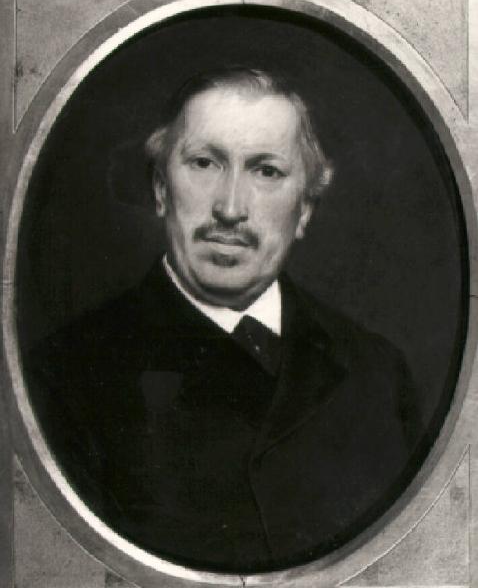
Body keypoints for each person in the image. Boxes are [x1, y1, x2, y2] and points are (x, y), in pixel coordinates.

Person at [25, 67, 426, 573]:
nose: (231, 208)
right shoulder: (60, 380)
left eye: (267, 171)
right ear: (161, 189)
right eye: (204, 163)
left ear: (305, 209)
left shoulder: (379, 374)